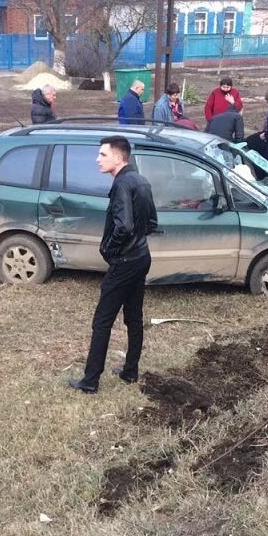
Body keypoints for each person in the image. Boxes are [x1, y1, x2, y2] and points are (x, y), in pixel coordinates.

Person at [69, 136, 157, 394]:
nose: (98, 159)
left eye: (103, 155)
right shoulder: (140, 179)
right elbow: (151, 222)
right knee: (134, 317)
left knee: (102, 321)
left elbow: (125, 226)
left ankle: (90, 381)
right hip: (141, 258)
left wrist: (108, 248)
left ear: (119, 158)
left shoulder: (122, 185)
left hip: (126, 261)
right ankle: (130, 371)